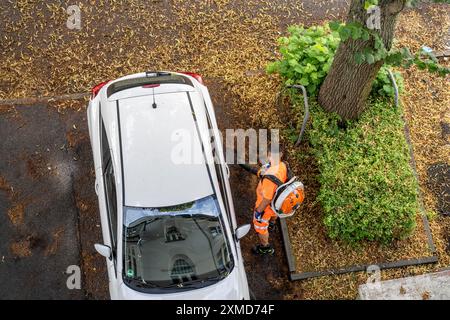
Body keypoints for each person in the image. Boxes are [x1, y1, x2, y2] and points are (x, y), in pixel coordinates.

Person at [251, 147, 287, 255]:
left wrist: (258, 212)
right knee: (273, 214)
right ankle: (272, 223)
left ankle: (265, 247)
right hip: (278, 203)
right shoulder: (283, 165)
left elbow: (267, 199)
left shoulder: (269, 178)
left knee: (260, 227)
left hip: (266, 207)